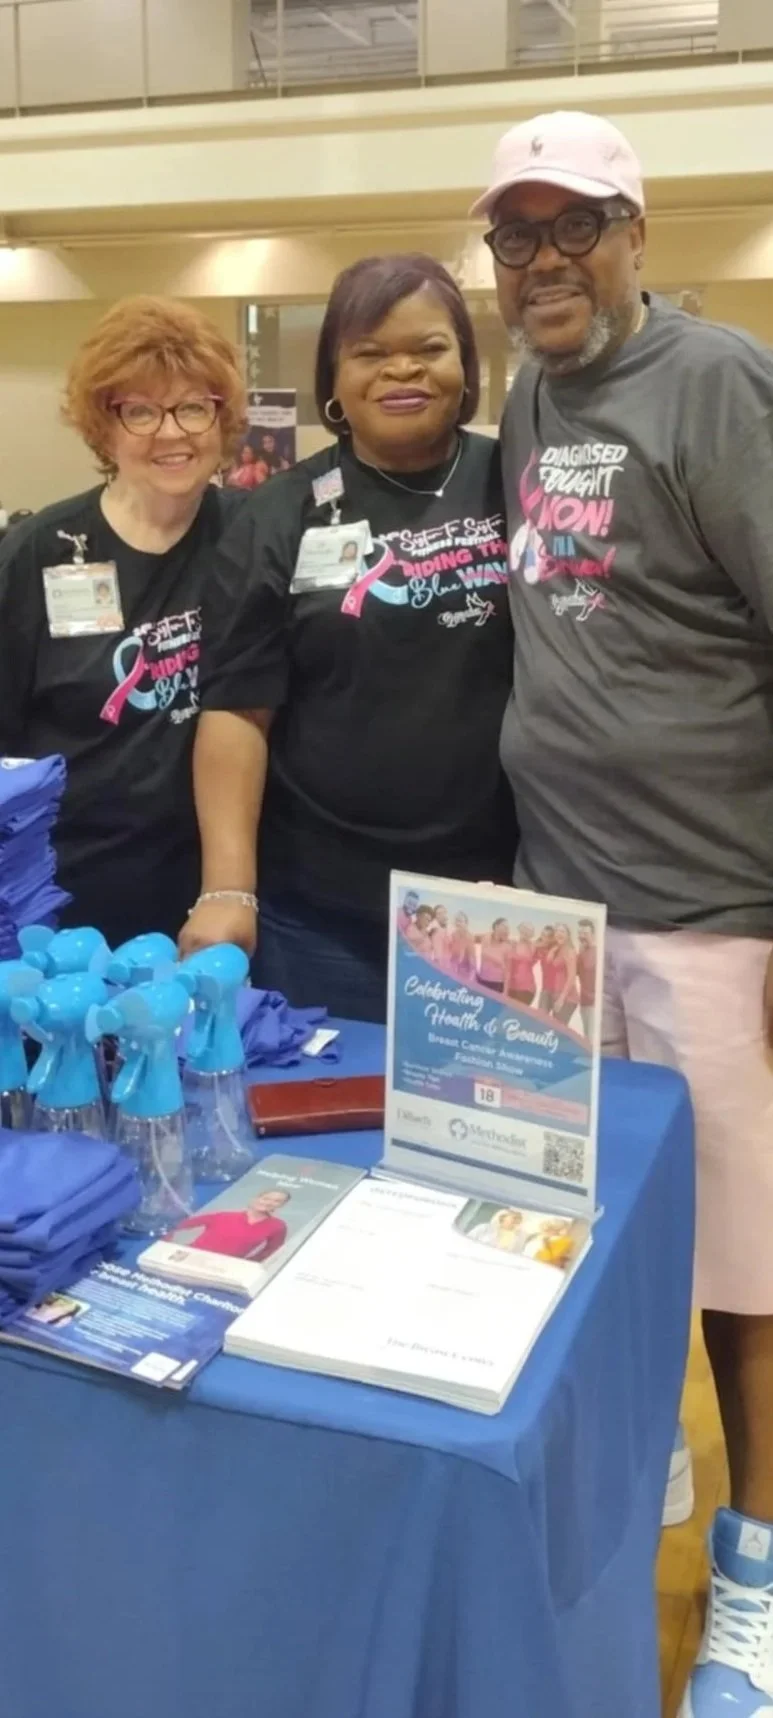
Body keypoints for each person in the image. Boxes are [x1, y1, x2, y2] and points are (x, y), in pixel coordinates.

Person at [476, 106, 773, 1715]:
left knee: (746, 1267)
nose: (541, 261)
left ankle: (754, 1579)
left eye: (570, 226)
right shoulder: (534, 391)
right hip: (556, 908)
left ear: (635, 231)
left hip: (710, 904)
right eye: (513, 236)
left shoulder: (716, 383)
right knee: (587, 1226)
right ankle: (639, 1465)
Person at [181, 253, 516, 1021]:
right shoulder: (276, 514)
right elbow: (236, 708)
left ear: (465, 363)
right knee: (333, 1130)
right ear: (333, 378)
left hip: (499, 898)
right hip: (324, 910)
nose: (402, 370)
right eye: (369, 353)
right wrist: (228, 889)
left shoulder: (516, 483)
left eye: (429, 348)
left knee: (487, 1124)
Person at [0, 295, 246, 949]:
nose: (171, 433)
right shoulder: (39, 551)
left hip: (220, 893)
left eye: (193, 406)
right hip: (61, 896)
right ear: (102, 427)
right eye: (139, 410)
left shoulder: (254, 537)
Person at [169, 1188, 290, 1261]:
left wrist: (245, 1264)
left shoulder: (277, 1226)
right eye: (266, 1198)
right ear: (256, 1198)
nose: (269, 1203)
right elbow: (178, 1225)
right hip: (191, 1257)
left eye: (277, 1201)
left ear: (281, 1205)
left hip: (223, 1267)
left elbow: (271, 1251)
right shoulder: (224, 1216)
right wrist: (166, 1243)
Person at [577, 918, 598, 1040]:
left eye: (585, 933)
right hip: (584, 1002)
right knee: (587, 1036)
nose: (582, 936)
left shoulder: (598, 952)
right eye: (579, 933)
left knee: (590, 1038)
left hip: (594, 1003)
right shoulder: (581, 953)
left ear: (593, 934)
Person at [477, 918, 511, 993]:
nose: (506, 929)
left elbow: (507, 972)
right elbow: (484, 953)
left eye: (507, 928)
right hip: (482, 980)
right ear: (496, 926)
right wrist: (499, 962)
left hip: (497, 983)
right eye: (504, 926)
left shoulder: (507, 946)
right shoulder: (486, 938)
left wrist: (505, 993)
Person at [508, 921, 537, 1005]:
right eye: (524, 930)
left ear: (531, 934)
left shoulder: (533, 946)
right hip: (511, 986)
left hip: (527, 988)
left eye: (528, 931)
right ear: (520, 930)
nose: (525, 933)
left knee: (519, 1014)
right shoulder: (512, 943)